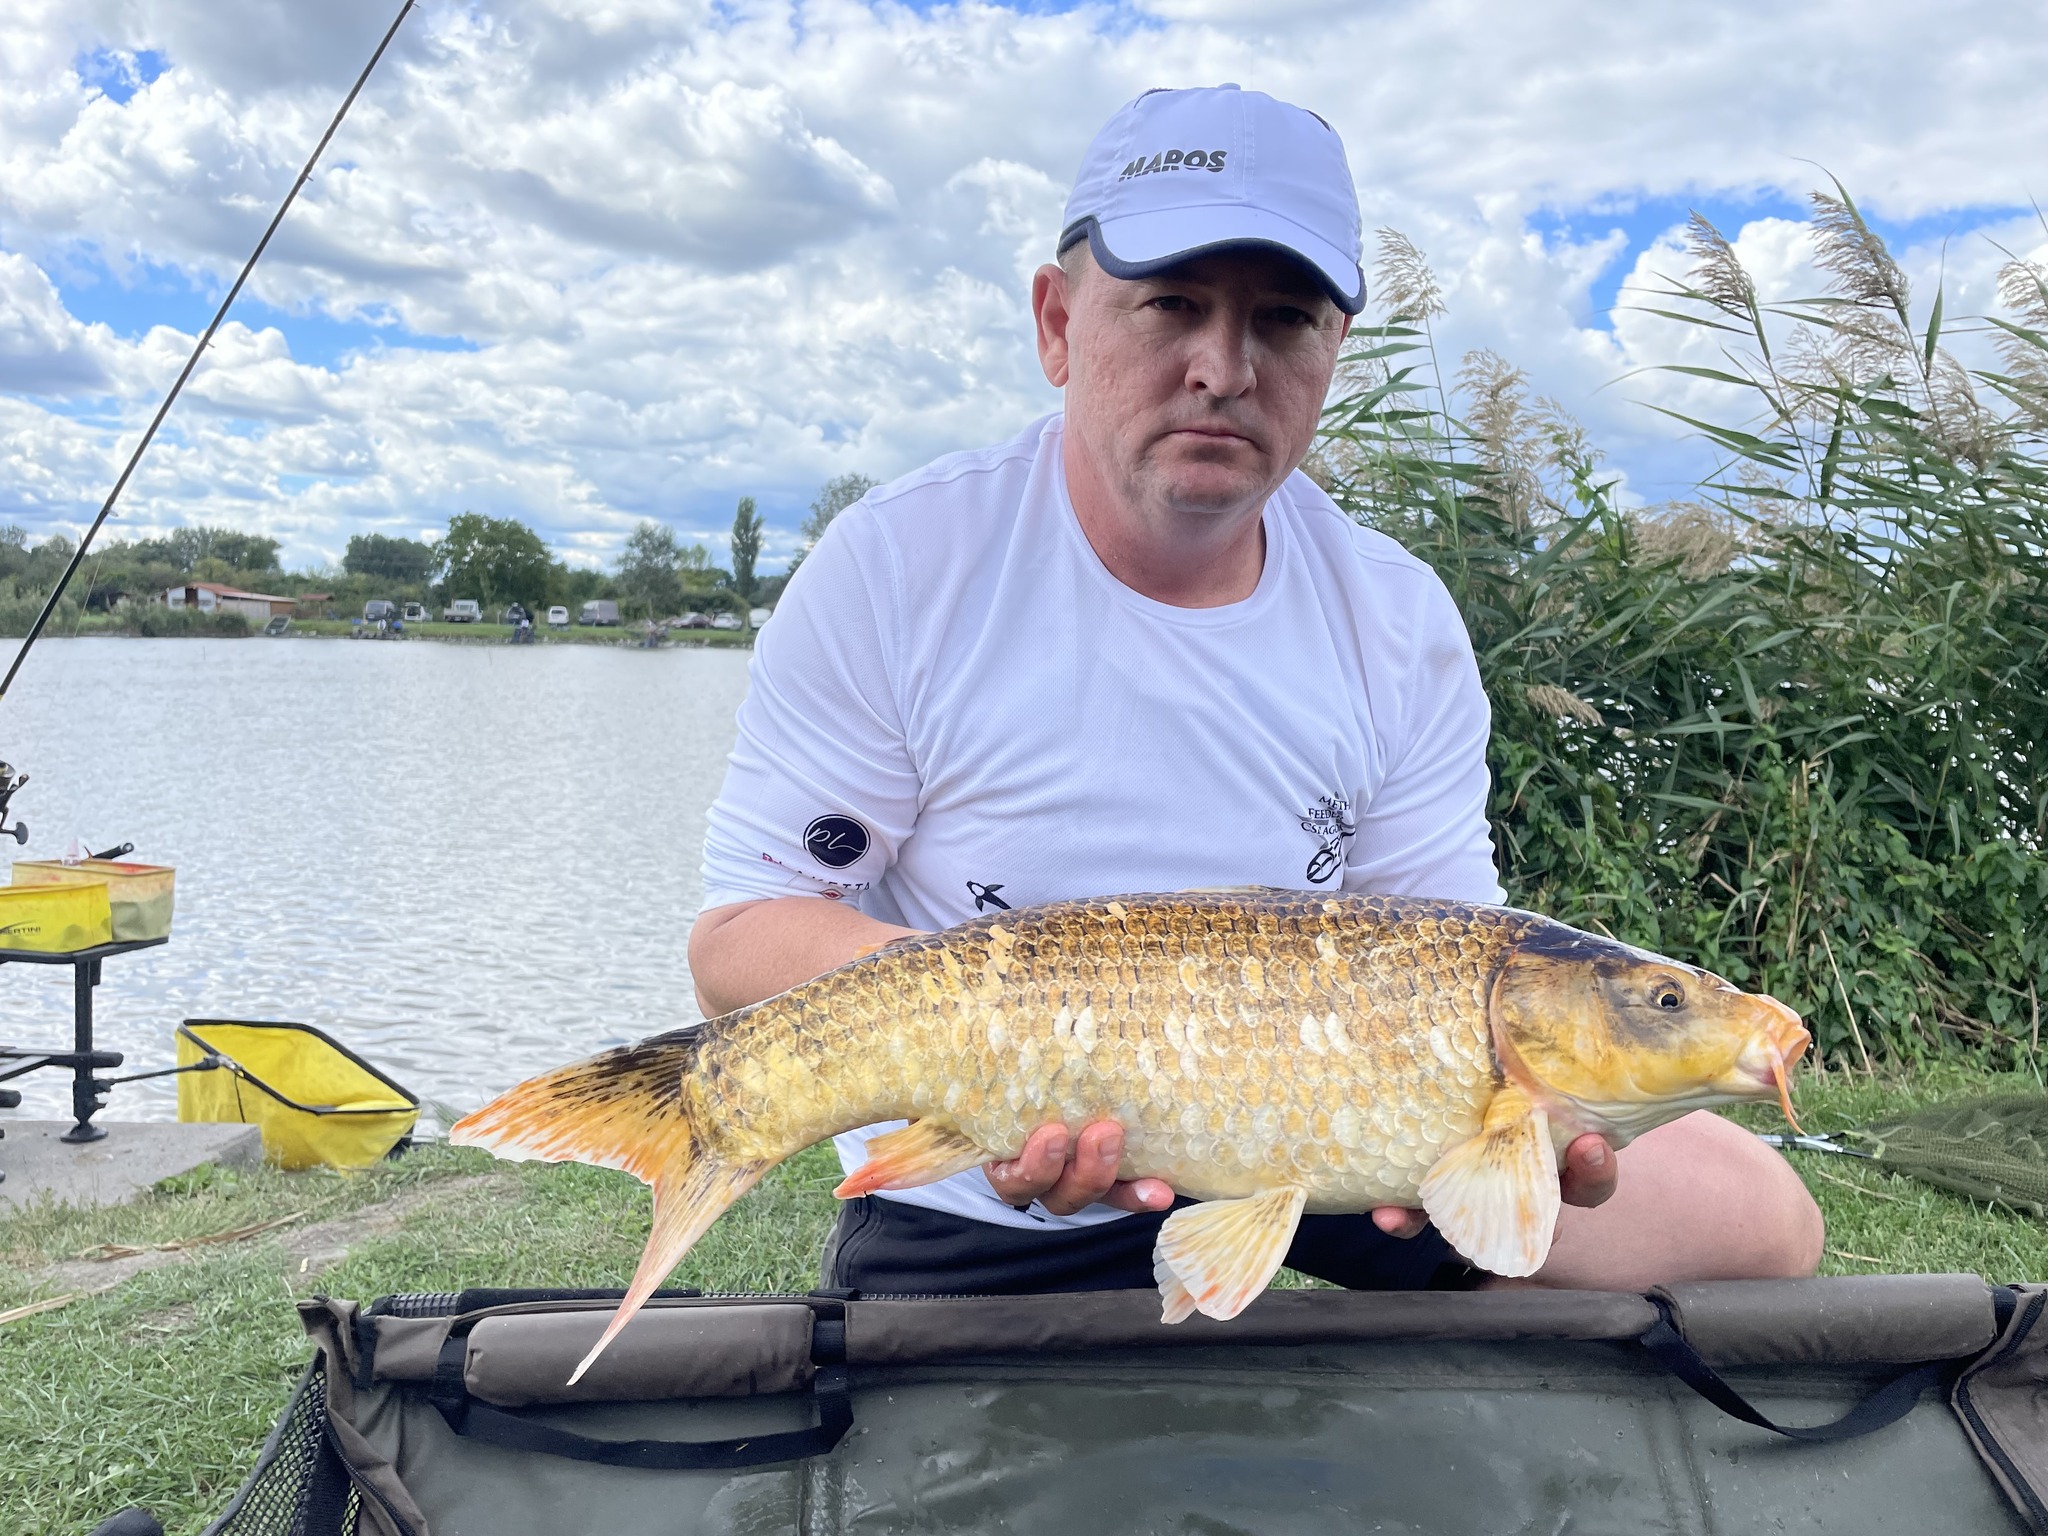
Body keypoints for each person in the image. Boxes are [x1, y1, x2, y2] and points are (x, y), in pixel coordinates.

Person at [690, 85, 1823, 1297]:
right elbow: (740, 941)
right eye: (1170, 305)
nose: (1221, 369)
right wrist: (1000, 1061)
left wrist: (1532, 1127)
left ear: (1330, 353)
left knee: (1762, 1223)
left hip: (1347, 1150)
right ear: (1057, 323)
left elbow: (1447, 942)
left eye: (1281, 321)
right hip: (997, 1188)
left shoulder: (1393, 616)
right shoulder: (900, 565)